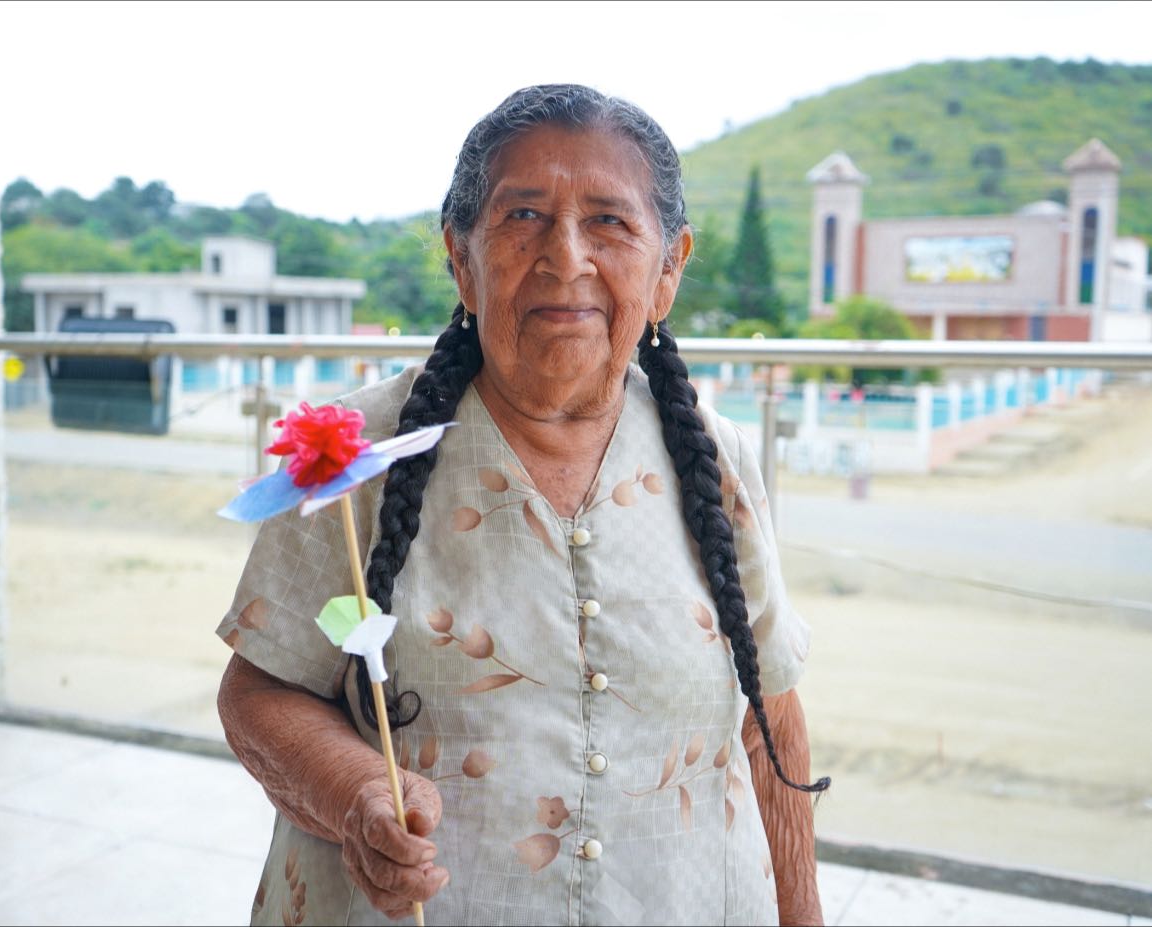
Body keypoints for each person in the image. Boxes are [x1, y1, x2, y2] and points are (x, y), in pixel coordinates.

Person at [216, 83, 829, 927]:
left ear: (669, 269)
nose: (565, 257)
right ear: (461, 259)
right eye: (524, 216)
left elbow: (769, 721)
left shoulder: (716, 462)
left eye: (609, 221)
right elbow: (258, 690)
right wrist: (354, 790)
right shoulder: (350, 460)